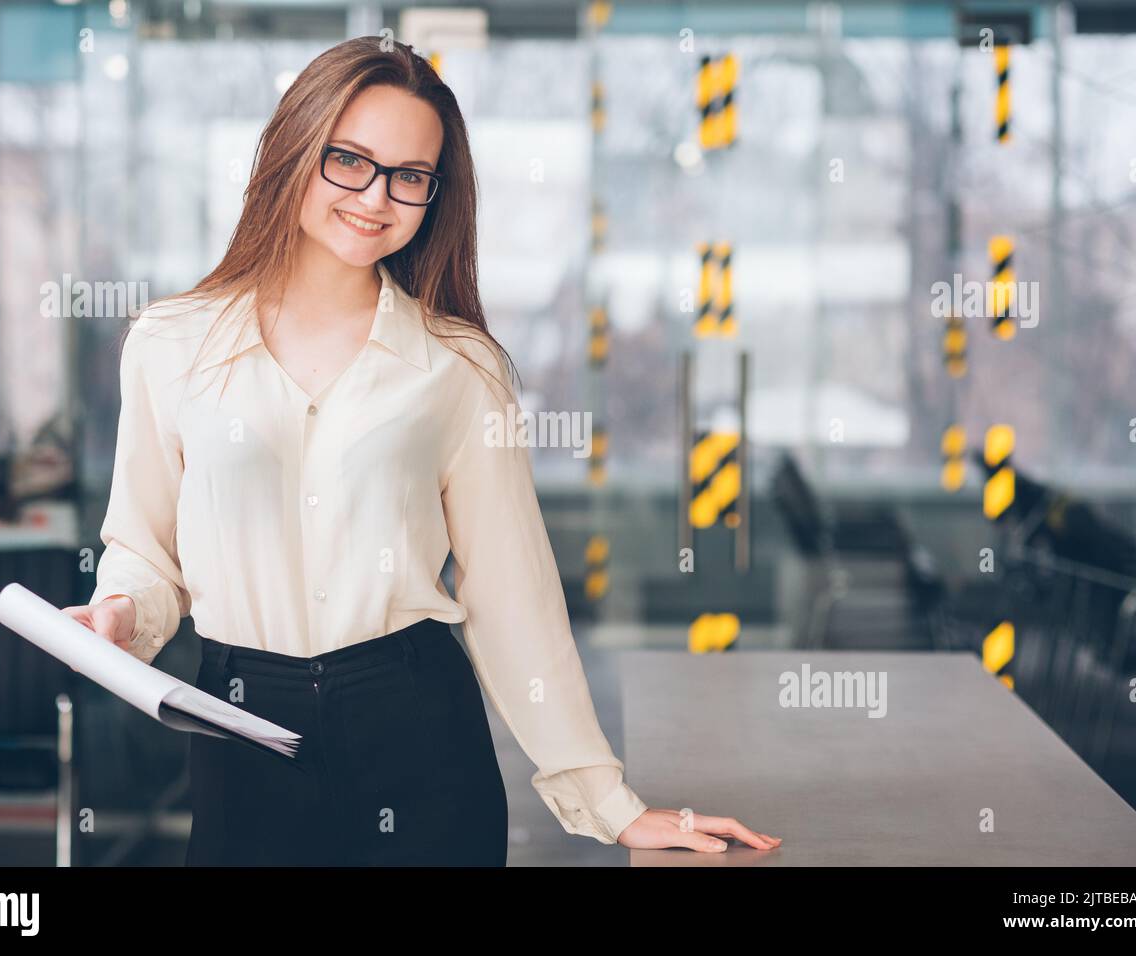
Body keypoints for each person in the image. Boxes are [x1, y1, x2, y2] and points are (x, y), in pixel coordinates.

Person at [62, 35, 780, 866]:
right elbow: (146, 553)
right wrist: (119, 614)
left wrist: (610, 806)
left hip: (414, 729)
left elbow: (513, 597)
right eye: (350, 161)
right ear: (295, 149)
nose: (377, 197)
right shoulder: (172, 343)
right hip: (238, 728)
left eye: (410, 176)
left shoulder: (458, 367)